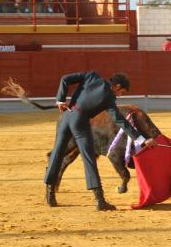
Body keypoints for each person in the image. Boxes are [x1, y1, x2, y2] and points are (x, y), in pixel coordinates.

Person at [44, 71, 156, 211]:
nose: (120, 95)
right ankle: (100, 200)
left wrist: (60, 99)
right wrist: (141, 139)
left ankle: (50, 195)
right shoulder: (109, 98)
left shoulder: (92, 76)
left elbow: (65, 78)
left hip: (66, 116)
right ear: (117, 86)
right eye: (121, 92)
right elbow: (121, 122)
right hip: (80, 122)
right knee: (89, 159)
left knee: (56, 155)